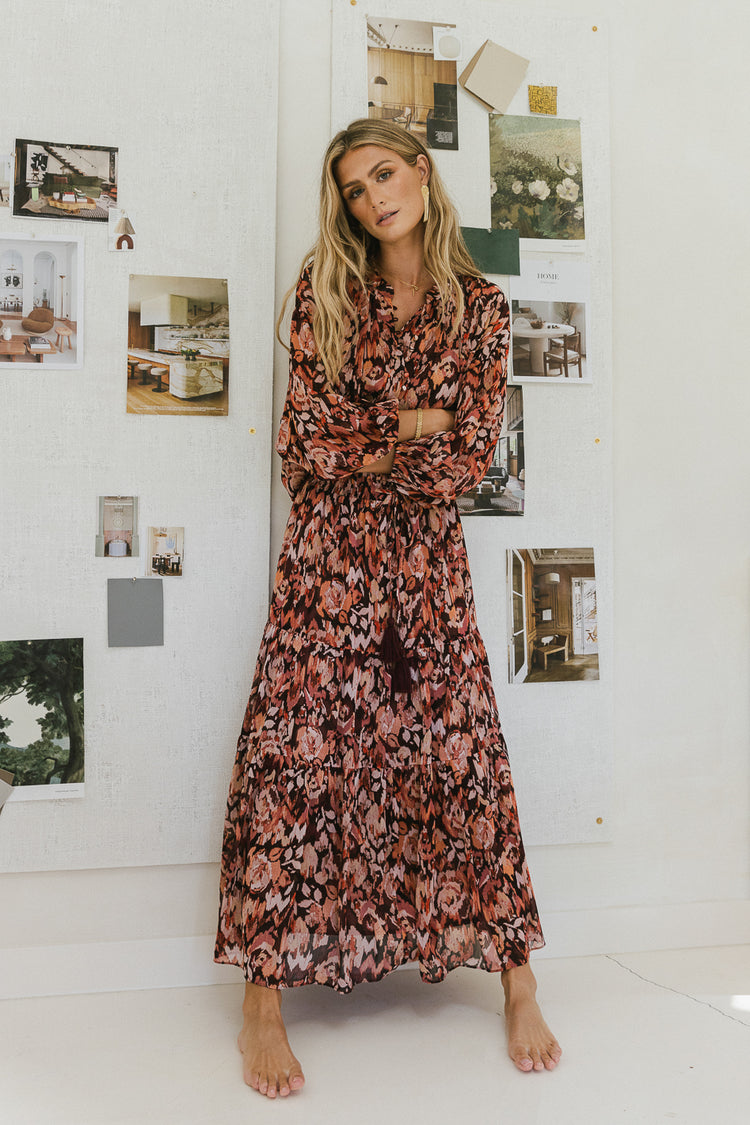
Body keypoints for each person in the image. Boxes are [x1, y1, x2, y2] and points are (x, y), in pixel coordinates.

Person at [214, 118, 561, 1098]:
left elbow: (468, 459)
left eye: (383, 176)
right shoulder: (324, 291)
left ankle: (520, 981)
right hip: (325, 562)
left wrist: (378, 441)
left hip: (427, 570)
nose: (373, 200)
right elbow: (303, 448)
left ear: (421, 173)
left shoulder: (480, 308)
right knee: (295, 758)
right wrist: (417, 419)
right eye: (354, 190)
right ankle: (261, 1001)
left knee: (460, 755)